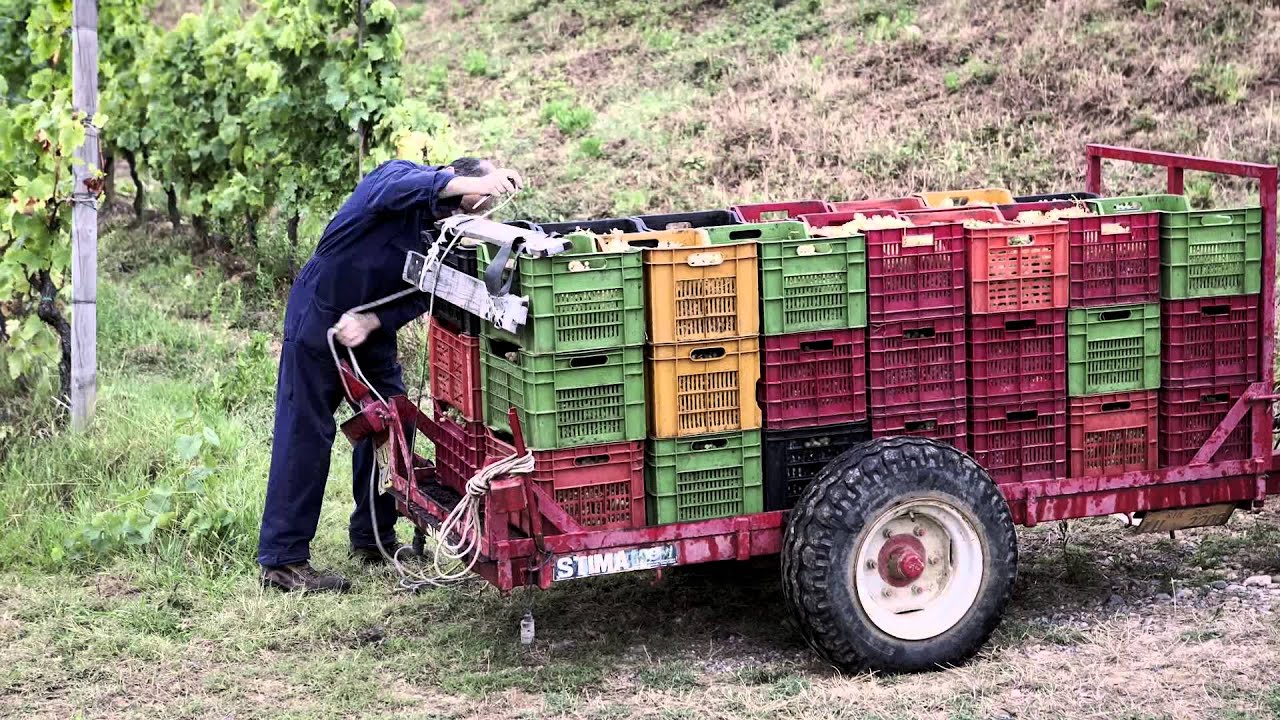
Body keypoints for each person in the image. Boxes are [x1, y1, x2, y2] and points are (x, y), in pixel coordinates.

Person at [257, 156, 523, 592]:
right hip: (319, 311)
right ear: (458, 180)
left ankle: (374, 536)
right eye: (485, 189)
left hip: (368, 326)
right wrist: (472, 182)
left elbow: (424, 294)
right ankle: (283, 561)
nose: (488, 201)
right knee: (306, 431)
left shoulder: (448, 232)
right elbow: (394, 191)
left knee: (392, 423)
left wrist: (372, 323)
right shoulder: (397, 177)